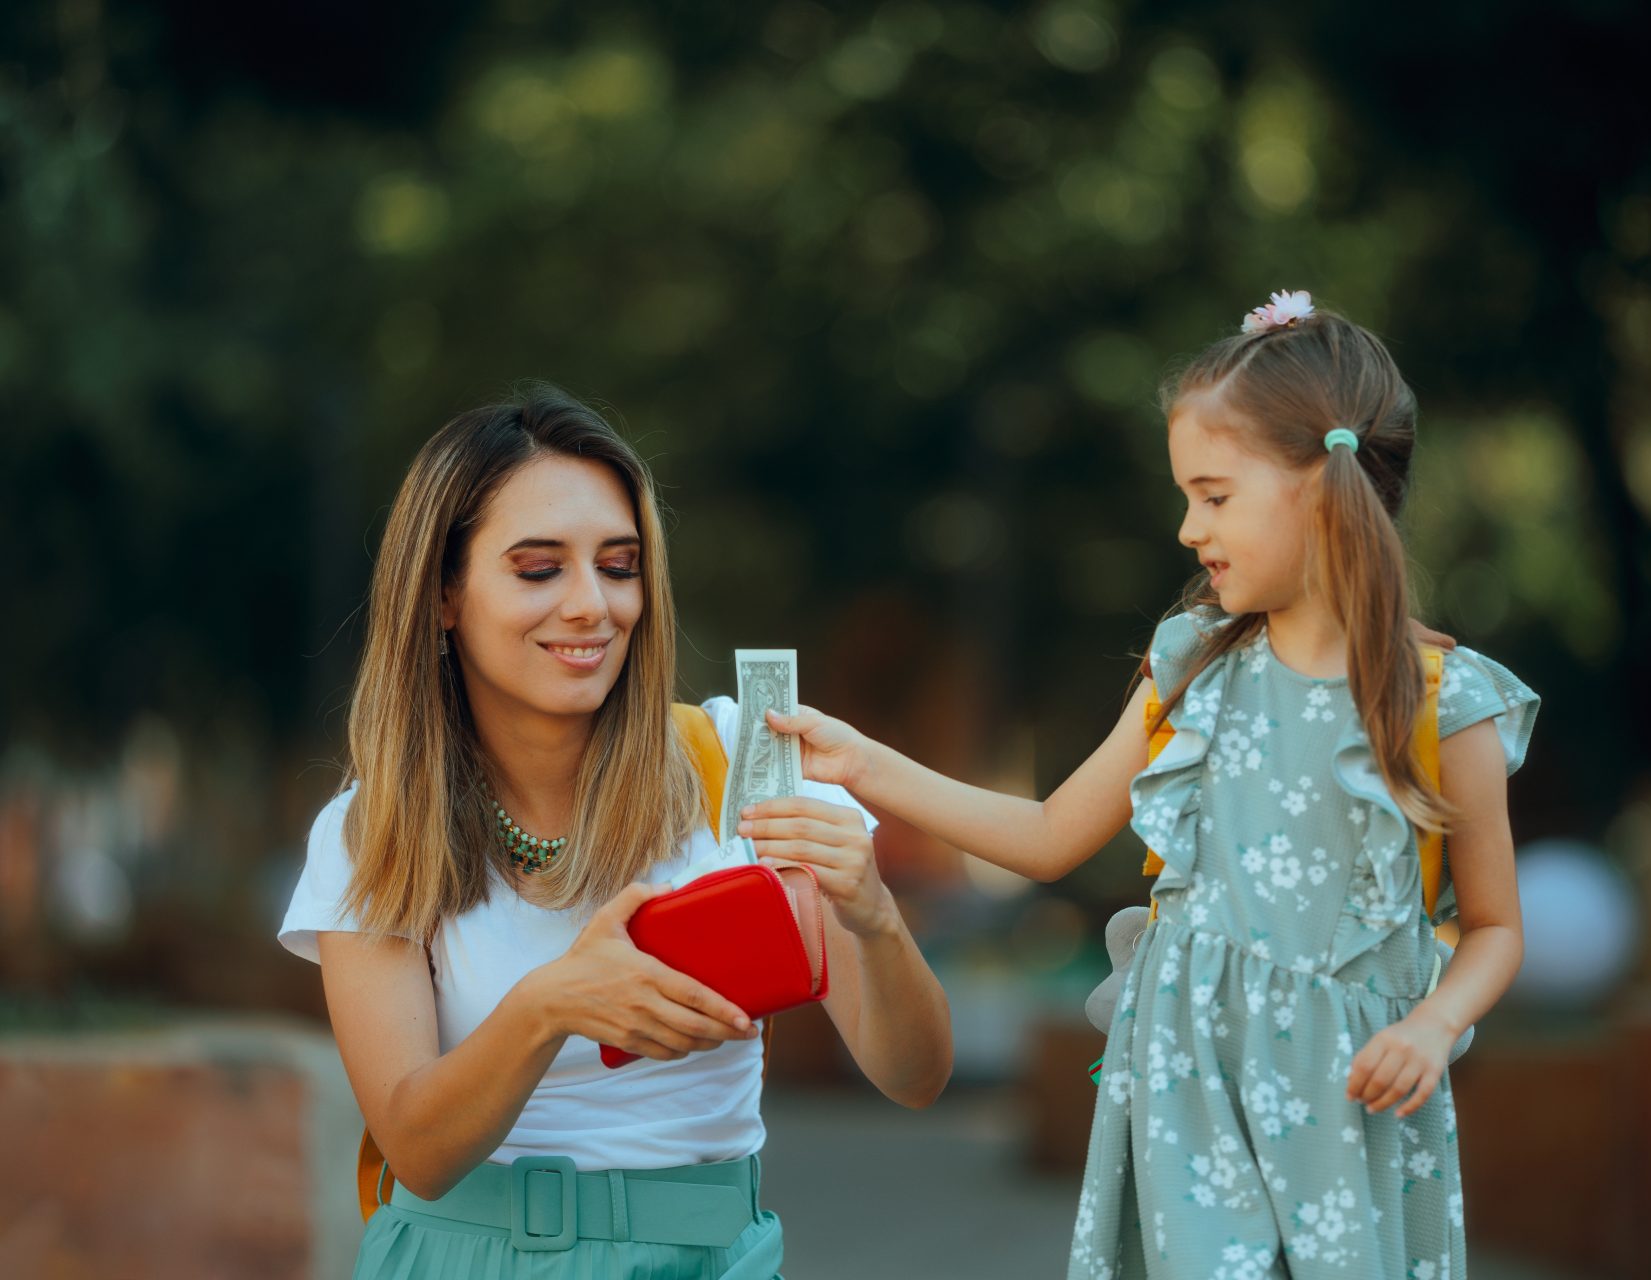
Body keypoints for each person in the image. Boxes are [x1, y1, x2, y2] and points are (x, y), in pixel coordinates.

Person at [743, 295, 1540, 1277]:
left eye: (1212, 494)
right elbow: (1045, 832)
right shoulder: (1191, 666)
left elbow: (1497, 926)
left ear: (1323, 490)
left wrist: (1433, 1022)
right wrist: (866, 764)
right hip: (1191, 1093)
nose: (1185, 526)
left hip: (1351, 1104)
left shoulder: (1440, 698)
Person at [277, 384, 952, 1279]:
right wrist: (552, 1003)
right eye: (538, 567)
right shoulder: (376, 830)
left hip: (714, 1257)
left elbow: (914, 1077)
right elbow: (418, 1151)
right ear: (443, 594)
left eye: (620, 564)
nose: (594, 605)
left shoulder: (742, 762)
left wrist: (873, 916)